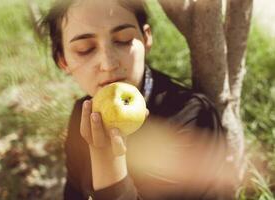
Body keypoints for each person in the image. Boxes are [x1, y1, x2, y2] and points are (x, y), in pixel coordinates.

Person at [42, 0, 232, 199]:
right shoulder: (82, 112)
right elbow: (74, 192)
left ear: (146, 38)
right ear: (63, 61)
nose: (108, 64)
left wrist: (107, 161)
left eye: (123, 39)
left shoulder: (192, 118)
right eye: (85, 49)